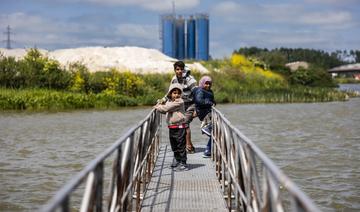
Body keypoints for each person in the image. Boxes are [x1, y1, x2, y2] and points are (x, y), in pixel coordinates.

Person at [159, 61, 197, 153]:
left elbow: (197, 94)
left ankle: (187, 146)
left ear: (184, 69)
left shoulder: (190, 79)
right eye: (177, 69)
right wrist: (163, 100)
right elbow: (170, 93)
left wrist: (197, 109)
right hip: (179, 105)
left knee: (185, 123)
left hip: (190, 104)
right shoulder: (174, 79)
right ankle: (189, 145)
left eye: (181, 69)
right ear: (175, 70)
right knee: (181, 124)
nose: (179, 71)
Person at [154, 83, 188, 171]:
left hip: (180, 127)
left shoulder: (179, 102)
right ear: (170, 94)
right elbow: (165, 110)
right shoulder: (170, 102)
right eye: (174, 93)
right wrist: (160, 105)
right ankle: (177, 160)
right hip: (172, 127)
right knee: (174, 146)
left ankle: (183, 163)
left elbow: (166, 108)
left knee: (181, 146)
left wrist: (158, 106)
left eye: (178, 93)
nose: (176, 95)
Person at [193, 76, 215, 158]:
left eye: (209, 84)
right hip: (203, 112)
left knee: (215, 133)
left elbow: (212, 100)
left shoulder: (210, 91)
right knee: (215, 132)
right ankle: (206, 128)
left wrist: (213, 102)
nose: (208, 85)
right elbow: (199, 101)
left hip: (209, 112)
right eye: (206, 83)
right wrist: (209, 102)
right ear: (202, 83)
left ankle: (208, 151)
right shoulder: (200, 90)